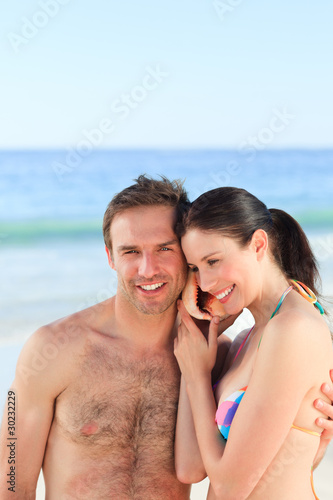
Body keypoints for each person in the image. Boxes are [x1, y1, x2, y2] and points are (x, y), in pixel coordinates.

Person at [0, 177, 332, 500]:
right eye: (130, 251)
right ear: (110, 257)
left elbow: (244, 464)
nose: (147, 269)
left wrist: (307, 444)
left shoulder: (213, 354)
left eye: (164, 249)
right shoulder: (52, 349)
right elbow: (10, 481)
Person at [174, 186, 333, 499]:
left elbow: (229, 488)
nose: (205, 283)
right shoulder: (245, 340)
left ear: (258, 244)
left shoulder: (293, 329)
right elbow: (190, 467)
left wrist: (195, 376)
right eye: (195, 268)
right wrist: (198, 355)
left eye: (214, 260)